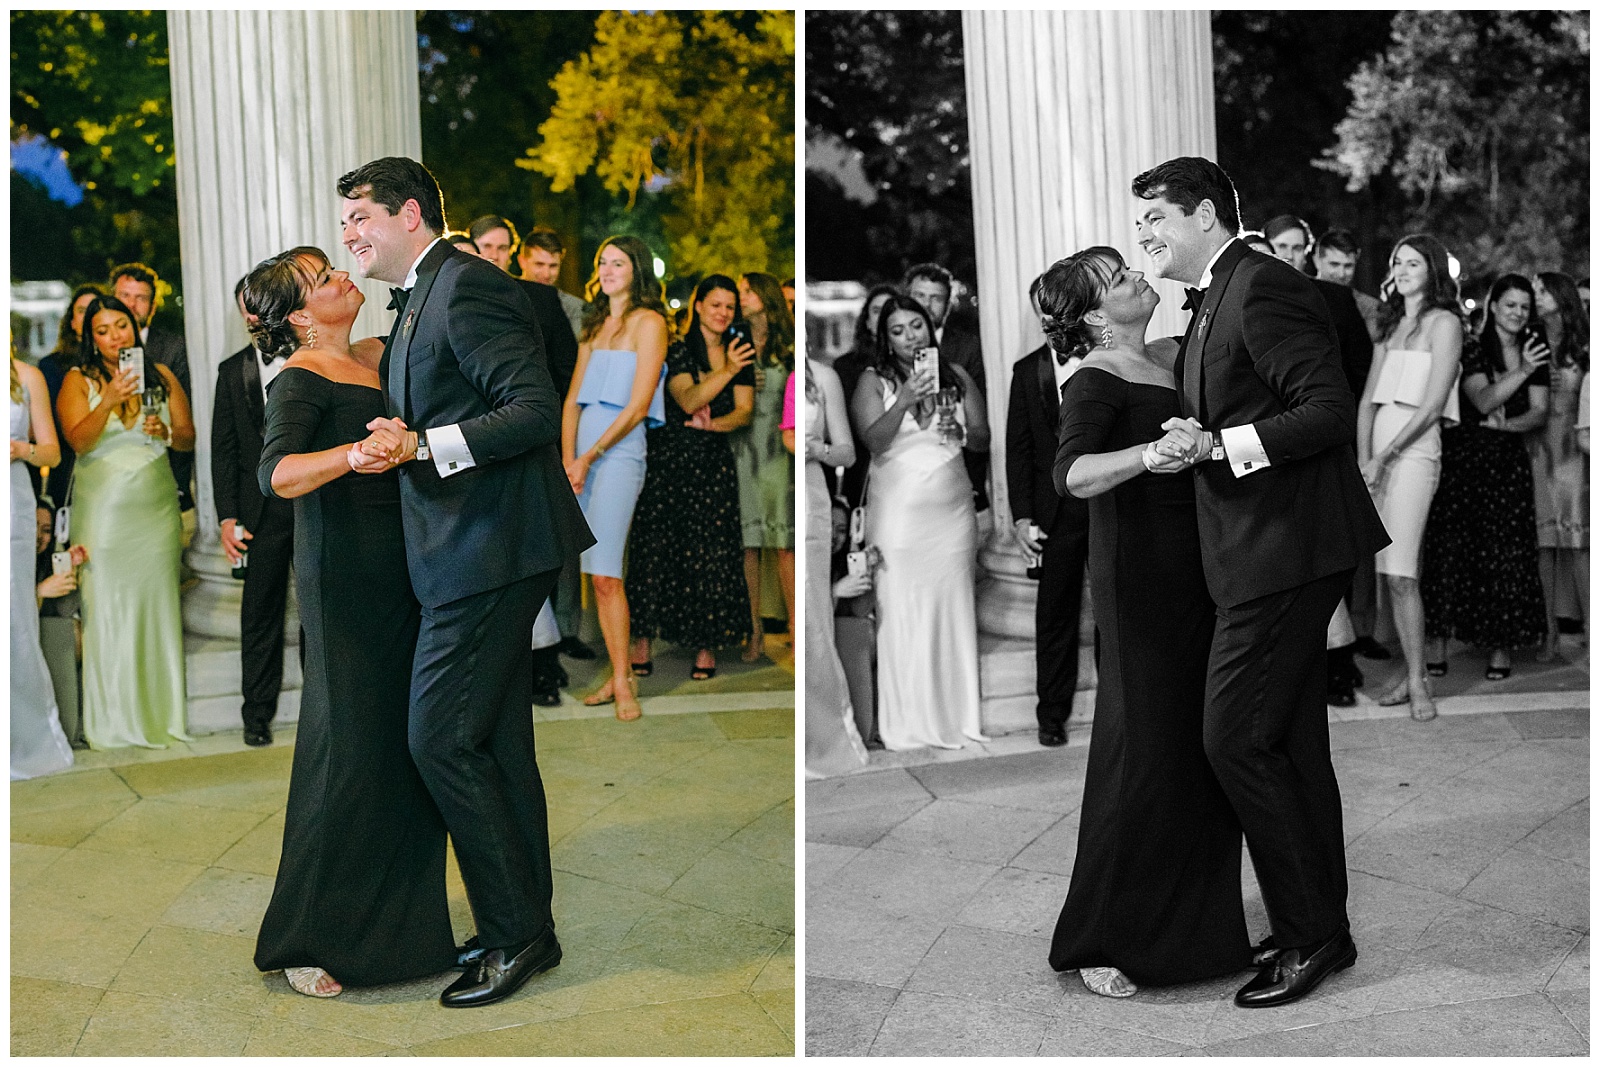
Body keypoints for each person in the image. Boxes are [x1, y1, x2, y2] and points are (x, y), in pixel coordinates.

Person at [337, 156, 594, 1008]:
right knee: (497, 745)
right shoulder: (424, 290)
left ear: (411, 213)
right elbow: (454, 401)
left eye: (360, 219)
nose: (350, 236)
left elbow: (528, 406)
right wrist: (404, 431)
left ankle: (516, 935)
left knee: (439, 739)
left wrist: (422, 446)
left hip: (493, 547)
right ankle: (526, 924)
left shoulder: (467, 283)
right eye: (345, 224)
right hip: (471, 545)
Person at [1131, 156, 1388, 1008]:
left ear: (1205, 214)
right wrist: (1198, 429)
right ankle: (1323, 924)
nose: (1145, 238)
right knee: (1291, 744)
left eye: (1156, 221)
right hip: (1266, 546)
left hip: (1289, 549)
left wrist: (1218, 447)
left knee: (1234, 739)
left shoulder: (1261, 283)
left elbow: (1325, 409)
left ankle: (1310, 934)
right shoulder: (1220, 288)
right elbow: (1248, 401)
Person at [245, 246, 456, 999]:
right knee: (348, 752)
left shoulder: (377, 352)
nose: (342, 277)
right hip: (345, 581)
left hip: (407, 568)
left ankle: (405, 934)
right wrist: (358, 452)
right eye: (322, 278)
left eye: (338, 262)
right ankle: (308, 935)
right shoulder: (300, 377)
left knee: (406, 750)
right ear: (300, 315)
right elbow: (279, 474)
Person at [1040, 246, 1250, 998]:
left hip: (1199, 571)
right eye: (1118, 279)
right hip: (1141, 582)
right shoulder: (1095, 376)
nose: (1137, 278)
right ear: (1096, 314)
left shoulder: (1168, 354)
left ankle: (1199, 934)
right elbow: (1073, 473)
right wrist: (1152, 452)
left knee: (1199, 753)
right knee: (1143, 757)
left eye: (1131, 265)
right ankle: (1104, 935)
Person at [850, 293, 989, 751]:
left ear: (930, 329)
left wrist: (964, 429)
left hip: (951, 512)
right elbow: (873, 441)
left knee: (951, 609)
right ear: (885, 339)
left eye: (917, 326)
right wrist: (905, 399)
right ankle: (905, 720)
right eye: (898, 330)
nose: (910, 337)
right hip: (900, 515)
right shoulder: (873, 381)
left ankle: (955, 715)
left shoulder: (958, 375)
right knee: (901, 611)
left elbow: (983, 438)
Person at [56, 295, 194, 749]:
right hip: (106, 513)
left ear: (135, 329)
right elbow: (77, 440)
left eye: (122, 326)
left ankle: (160, 714)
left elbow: (188, 437)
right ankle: (113, 720)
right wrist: (110, 398)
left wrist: (168, 433)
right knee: (107, 609)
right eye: (104, 330)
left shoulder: (162, 375)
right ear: (89, 338)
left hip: (154, 508)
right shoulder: (77, 380)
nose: (116, 337)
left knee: (155, 608)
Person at [625, 274, 755, 680]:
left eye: (729, 307)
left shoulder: (739, 351)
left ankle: (705, 646)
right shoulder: (678, 349)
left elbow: (744, 410)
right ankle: (641, 640)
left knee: (710, 552)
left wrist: (715, 426)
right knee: (654, 548)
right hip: (668, 460)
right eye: (715, 304)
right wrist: (728, 371)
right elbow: (687, 397)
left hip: (712, 461)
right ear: (698, 306)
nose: (723, 313)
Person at [561, 234, 669, 722]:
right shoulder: (594, 323)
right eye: (602, 262)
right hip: (580, 456)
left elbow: (640, 405)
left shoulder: (650, 322)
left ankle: (623, 682)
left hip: (621, 454)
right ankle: (616, 671)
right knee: (594, 576)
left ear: (637, 270)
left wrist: (591, 457)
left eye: (618, 263)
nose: (606, 270)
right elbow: (572, 400)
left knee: (607, 572)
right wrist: (569, 458)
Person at [1357, 234, 1465, 719]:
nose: (1401, 269)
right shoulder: (1390, 324)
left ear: (1433, 270)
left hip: (1415, 452)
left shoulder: (1444, 322)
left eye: (1413, 263)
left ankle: (1419, 681)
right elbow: (1367, 400)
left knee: (1402, 572)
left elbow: (1434, 403)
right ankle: (1411, 671)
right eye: (1396, 261)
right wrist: (1365, 458)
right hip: (1377, 452)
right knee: (1387, 574)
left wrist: (1387, 456)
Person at [1421, 274, 1549, 678]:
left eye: (1524, 307)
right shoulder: (1473, 349)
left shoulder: (1535, 350)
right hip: (1465, 459)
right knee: (1450, 548)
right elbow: (1483, 397)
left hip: (1508, 462)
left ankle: (1501, 649)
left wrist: (1508, 427)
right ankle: (1437, 644)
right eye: (1510, 304)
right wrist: (1524, 370)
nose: (1517, 313)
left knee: (1505, 553)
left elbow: (1539, 411)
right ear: (1493, 306)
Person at [1005, 273, 1091, 747]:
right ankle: (1051, 715)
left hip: (1104, 506)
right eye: (1042, 307)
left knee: (1114, 612)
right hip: (1051, 515)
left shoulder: (1103, 359)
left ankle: (1121, 706)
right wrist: (1021, 516)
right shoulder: (1026, 371)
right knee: (1054, 615)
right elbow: (1017, 450)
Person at [211, 276, 296, 746]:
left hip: (311, 505)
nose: (251, 315)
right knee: (258, 615)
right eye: (244, 307)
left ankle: (325, 706)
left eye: (257, 306)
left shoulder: (309, 358)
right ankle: (256, 714)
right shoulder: (231, 371)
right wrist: (227, 517)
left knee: (318, 613)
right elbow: (222, 452)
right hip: (257, 516)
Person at [801, 351, 867, 776]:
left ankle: (825, 743)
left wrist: (815, 448)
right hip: (771, 483)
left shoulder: (821, 375)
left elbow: (847, 453)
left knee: (813, 621)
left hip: (809, 497)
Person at [11, 354, 74, 780]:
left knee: (14, 623)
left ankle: (27, 743)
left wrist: (19, 448)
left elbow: (51, 449)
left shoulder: (25, 375)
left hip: (10, 505)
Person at [731, 271, 797, 660]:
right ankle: (752, 630)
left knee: (784, 545)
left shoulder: (787, 347)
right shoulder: (734, 342)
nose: (742, 297)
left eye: (747, 290)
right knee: (747, 546)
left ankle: (795, 629)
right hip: (741, 448)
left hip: (777, 452)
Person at [1528, 271, 1589, 656]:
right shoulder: (1530, 341)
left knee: (1578, 544)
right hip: (1536, 447)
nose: (1535, 296)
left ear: (1559, 295)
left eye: (1541, 289)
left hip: (1573, 450)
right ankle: (1548, 631)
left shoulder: (1585, 344)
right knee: (1543, 546)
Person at [906, 262, 989, 509]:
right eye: (919, 295)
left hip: (958, 477)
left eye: (936, 298)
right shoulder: (887, 351)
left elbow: (982, 421)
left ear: (948, 304)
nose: (926, 304)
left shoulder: (968, 348)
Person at [112, 262, 194, 510]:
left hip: (163, 478)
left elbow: (186, 419)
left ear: (153, 306)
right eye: (124, 296)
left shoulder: (172, 349)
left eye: (140, 298)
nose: (131, 304)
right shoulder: (96, 352)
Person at [833, 283, 899, 512]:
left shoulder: (915, 366)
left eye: (888, 310)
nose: (882, 317)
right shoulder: (845, 367)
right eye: (875, 310)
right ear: (867, 320)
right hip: (864, 472)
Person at [39, 284, 103, 507]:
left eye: (94, 310)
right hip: (69, 469)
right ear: (72, 320)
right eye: (81, 311)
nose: (87, 318)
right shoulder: (50, 367)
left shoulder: (118, 365)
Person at [519, 227, 586, 343]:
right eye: (539, 264)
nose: (546, 274)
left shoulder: (574, 308)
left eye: (553, 266)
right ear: (522, 262)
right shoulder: (506, 298)